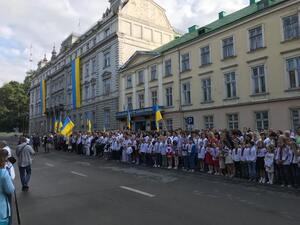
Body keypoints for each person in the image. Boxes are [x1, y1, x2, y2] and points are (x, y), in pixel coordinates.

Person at [0, 149, 15, 225]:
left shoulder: (9, 161)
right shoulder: (3, 172)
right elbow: (10, 190)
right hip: (2, 210)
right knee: (9, 210)